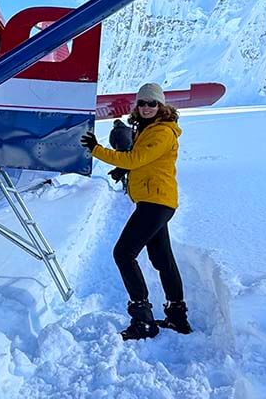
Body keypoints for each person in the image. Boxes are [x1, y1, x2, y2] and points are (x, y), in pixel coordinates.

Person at [81, 82, 192, 340]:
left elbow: (135, 158)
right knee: (162, 259)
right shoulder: (148, 129)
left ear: (161, 106)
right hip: (154, 201)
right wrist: (124, 170)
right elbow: (143, 160)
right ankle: (177, 316)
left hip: (156, 202)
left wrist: (96, 149)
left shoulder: (162, 132)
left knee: (123, 253)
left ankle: (143, 321)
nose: (146, 107)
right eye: (142, 103)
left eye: (152, 103)